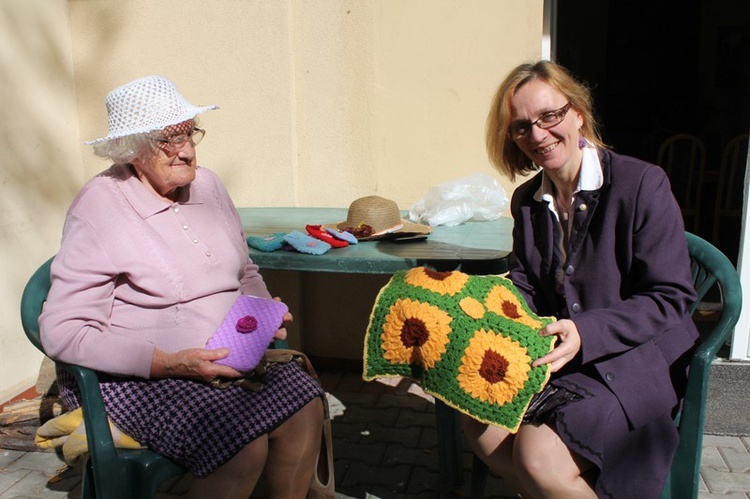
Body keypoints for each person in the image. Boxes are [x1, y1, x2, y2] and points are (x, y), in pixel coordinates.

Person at [39, 75, 325, 499]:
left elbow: (244, 270)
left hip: (226, 357)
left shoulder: (208, 185)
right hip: (137, 376)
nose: (187, 150)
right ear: (131, 149)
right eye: (167, 141)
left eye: (188, 133)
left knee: (305, 403)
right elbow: (63, 331)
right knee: (241, 444)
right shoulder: (100, 208)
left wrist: (263, 311)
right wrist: (170, 363)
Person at [462, 60, 700, 498]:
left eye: (549, 116)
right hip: (565, 358)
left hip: (636, 359)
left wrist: (585, 331)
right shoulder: (527, 201)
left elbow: (671, 298)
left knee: (536, 455)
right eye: (521, 126)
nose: (538, 135)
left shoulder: (641, 183)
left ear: (578, 114)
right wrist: (472, 309)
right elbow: (526, 285)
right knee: (482, 426)